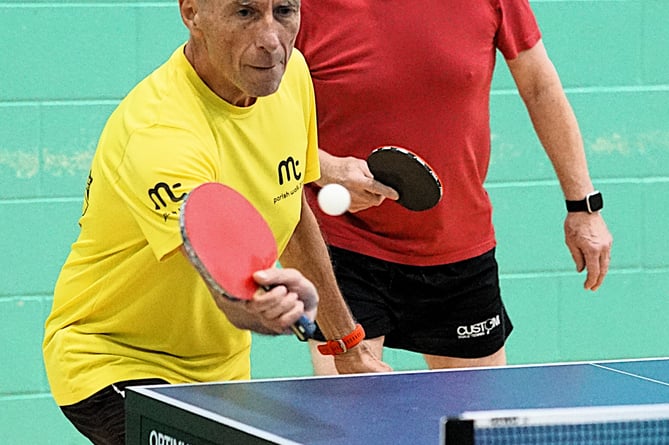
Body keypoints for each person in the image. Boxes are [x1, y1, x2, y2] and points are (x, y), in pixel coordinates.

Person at [43, 1, 389, 443]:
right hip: (115, 360)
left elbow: (293, 208)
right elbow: (230, 292)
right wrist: (267, 308)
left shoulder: (290, 77)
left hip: (219, 373)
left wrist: (347, 345)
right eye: (244, 12)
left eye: (284, 11)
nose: (271, 39)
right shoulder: (161, 134)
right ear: (192, 14)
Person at [295, 0, 613, 374]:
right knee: (350, 422)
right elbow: (258, 121)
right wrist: (325, 168)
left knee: (476, 425)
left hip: (458, 249)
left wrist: (583, 207)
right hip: (343, 247)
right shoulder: (300, 8)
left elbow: (540, 87)